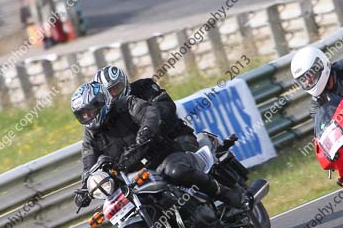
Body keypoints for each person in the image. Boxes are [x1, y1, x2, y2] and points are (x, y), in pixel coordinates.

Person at [71, 81, 247, 209]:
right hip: (133, 176)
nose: (87, 117)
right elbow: (89, 162)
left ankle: (224, 193)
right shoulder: (90, 135)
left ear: (100, 102)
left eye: (89, 111)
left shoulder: (126, 104)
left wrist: (146, 130)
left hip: (162, 154)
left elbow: (149, 112)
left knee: (177, 171)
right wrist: (86, 186)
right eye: (82, 115)